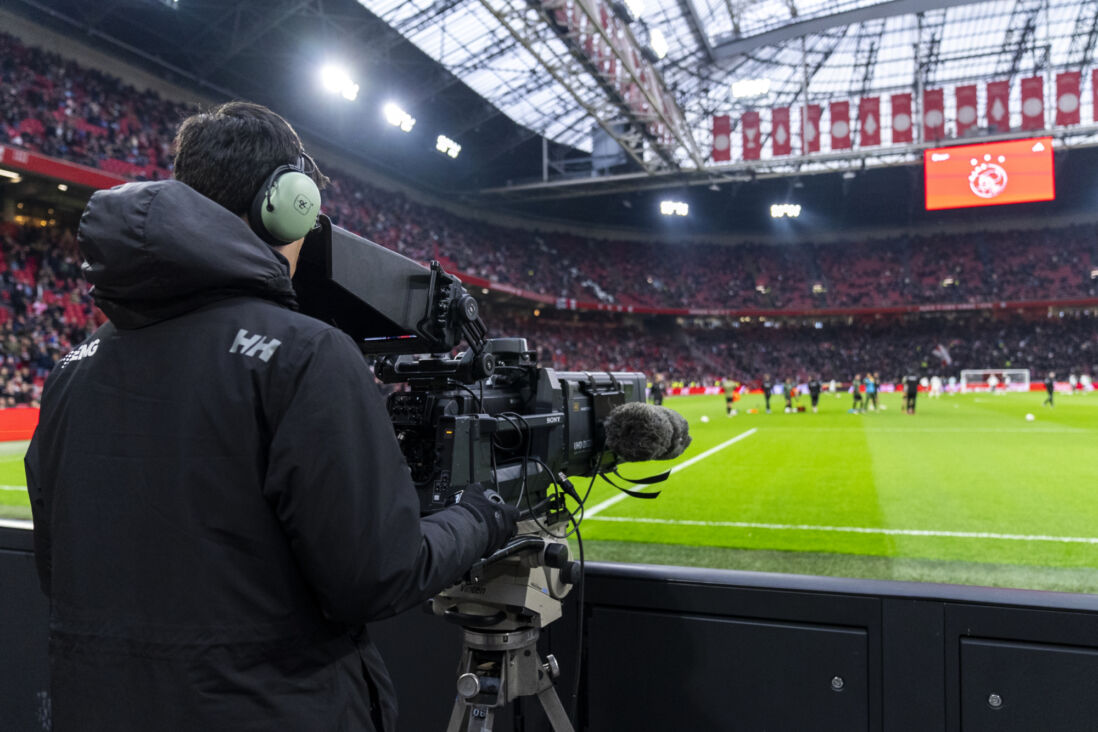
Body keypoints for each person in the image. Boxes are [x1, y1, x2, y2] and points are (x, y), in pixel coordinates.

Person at [24, 102, 518, 732]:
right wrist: (480, 517)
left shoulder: (72, 366)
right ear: (289, 203)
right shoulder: (306, 353)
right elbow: (376, 577)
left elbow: (59, 570)